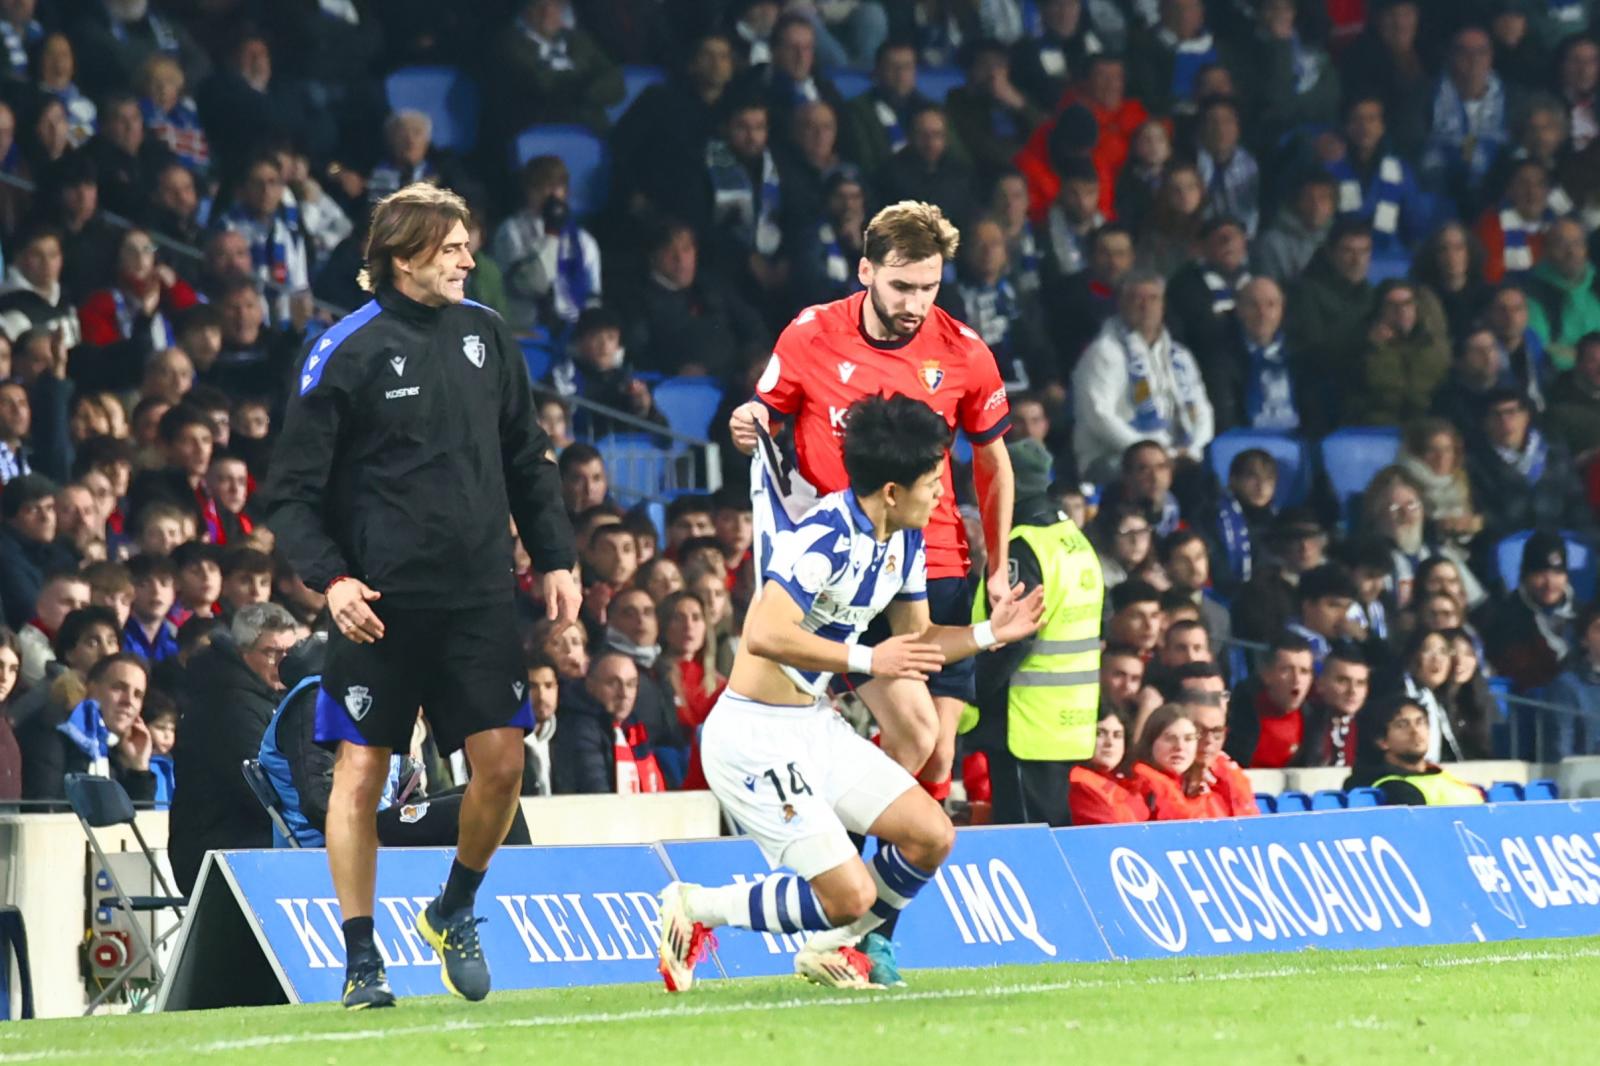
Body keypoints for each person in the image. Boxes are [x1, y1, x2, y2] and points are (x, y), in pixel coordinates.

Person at [263, 184, 580, 1010]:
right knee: (361, 772)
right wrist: (330, 580)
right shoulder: (344, 349)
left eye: (468, 245)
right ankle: (361, 955)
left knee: (503, 767)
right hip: (379, 604)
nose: (470, 261)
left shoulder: (486, 333)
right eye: (452, 249)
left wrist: (555, 556)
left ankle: (455, 907)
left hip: (477, 597)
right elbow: (290, 494)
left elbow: (528, 456)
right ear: (403, 256)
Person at [657, 394, 1043, 993]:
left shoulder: (905, 540)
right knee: (848, 895)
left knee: (932, 835)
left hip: (813, 725)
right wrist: (867, 656)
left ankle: (829, 949)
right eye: (933, 481)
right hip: (753, 738)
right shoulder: (823, 537)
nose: (943, 494)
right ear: (892, 490)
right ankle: (695, 906)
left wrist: (993, 632)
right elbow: (761, 634)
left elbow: (917, 641)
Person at [728, 200, 1016, 851]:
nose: (916, 302)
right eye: (902, 286)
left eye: (930, 286)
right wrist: (748, 422)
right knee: (915, 731)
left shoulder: (964, 352)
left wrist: (997, 567)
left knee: (937, 755)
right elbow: (763, 414)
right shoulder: (810, 334)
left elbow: (993, 457)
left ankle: (865, 906)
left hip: (935, 559)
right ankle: (833, 869)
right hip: (854, 567)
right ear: (866, 270)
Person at [967, 439, 1103, 828]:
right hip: (1066, 721)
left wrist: (971, 690)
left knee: (1029, 843)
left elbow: (1012, 637)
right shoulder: (1072, 540)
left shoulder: (1023, 545)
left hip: (1025, 722)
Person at [1071, 270, 1213, 480]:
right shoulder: (1103, 352)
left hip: (1176, 456)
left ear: (1163, 305)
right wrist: (1152, 453)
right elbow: (1098, 416)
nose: (1146, 306)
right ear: (1121, 304)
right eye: (1137, 298)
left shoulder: (1180, 355)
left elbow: (1203, 409)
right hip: (1115, 456)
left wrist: (1193, 448)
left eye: (1153, 298)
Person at [17, 652, 154, 806]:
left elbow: (138, 824)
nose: (128, 701)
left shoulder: (116, 748)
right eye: (118, 688)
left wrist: (139, 768)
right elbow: (44, 811)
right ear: (91, 689)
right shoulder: (50, 731)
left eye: (138, 695)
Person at [1344, 696, 1485, 806]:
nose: (1415, 731)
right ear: (1382, 741)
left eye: (1420, 722)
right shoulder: (1389, 787)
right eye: (1402, 725)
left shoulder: (1444, 776)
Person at [1487, 531, 1580, 693]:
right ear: (1525, 575)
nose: (1549, 583)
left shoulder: (1584, 615)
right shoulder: (1504, 619)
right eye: (1540, 574)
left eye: (1557, 573)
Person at [1224, 633, 1315, 769]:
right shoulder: (1237, 716)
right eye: (1287, 670)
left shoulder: (1316, 722)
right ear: (1266, 674)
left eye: (1304, 671)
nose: (1296, 679)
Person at [1066, 708, 1149, 826]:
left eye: (1117, 735)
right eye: (1099, 733)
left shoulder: (1131, 781)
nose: (1109, 743)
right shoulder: (1078, 782)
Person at [1128, 703, 1209, 820]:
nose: (1180, 746)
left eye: (1188, 738)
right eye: (1170, 738)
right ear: (1150, 743)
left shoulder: (1200, 781)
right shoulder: (1142, 781)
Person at [1296, 645, 1370, 768]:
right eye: (1343, 681)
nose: (1352, 691)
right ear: (1320, 684)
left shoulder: (1370, 729)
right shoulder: (1301, 721)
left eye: (1360, 683)